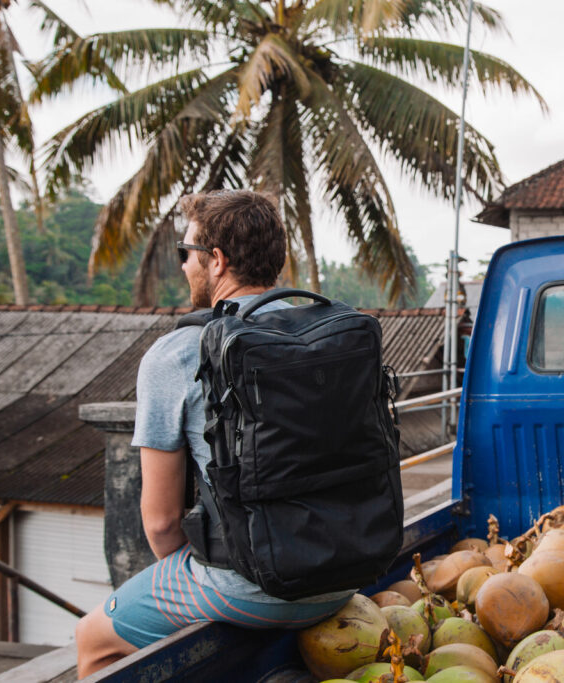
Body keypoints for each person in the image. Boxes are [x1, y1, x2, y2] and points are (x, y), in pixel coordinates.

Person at [74, 191, 354, 677]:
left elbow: (161, 524)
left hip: (256, 587)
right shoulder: (331, 337)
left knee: (92, 638)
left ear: (217, 261)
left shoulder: (180, 352)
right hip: (348, 571)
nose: (184, 266)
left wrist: (196, 571)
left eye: (187, 253)